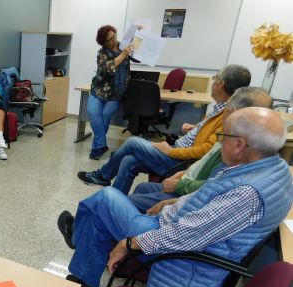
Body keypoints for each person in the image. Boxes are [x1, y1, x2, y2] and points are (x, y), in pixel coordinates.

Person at [58, 107, 293, 287]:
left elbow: (187, 235)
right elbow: (208, 204)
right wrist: (172, 202)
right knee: (99, 215)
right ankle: (85, 280)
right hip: (173, 228)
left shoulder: (247, 193)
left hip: (177, 253)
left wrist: (130, 243)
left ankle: (76, 236)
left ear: (240, 144)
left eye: (223, 137)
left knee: (103, 198)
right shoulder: (272, 169)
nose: (219, 142)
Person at [78, 64, 252, 194]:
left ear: (221, 84)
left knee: (132, 142)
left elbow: (206, 150)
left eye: (215, 78)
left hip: (178, 160)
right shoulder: (222, 108)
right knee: (128, 161)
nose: (213, 81)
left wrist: (169, 152)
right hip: (177, 152)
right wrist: (196, 127)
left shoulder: (227, 115)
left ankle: (102, 176)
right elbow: (209, 134)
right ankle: (113, 199)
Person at [128, 86, 274, 213]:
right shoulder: (237, 137)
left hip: (187, 192)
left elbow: (213, 187)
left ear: (232, 111)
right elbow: (208, 163)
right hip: (187, 178)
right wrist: (184, 172)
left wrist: (179, 185)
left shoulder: (235, 147)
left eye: (226, 108)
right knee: (137, 179)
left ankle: (108, 181)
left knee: (115, 197)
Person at [87, 24, 135, 160]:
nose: (114, 40)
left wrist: (140, 31)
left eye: (114, 36)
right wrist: (124, 54)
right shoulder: (102, 53)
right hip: (99, 89)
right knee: (93, 113)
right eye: (110, 39)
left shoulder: (123, 46)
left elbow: (138, 44)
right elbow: (109, 67)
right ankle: (101, 144)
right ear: (104, 42)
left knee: (104, 118)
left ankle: (97, 147)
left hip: (116, 92)